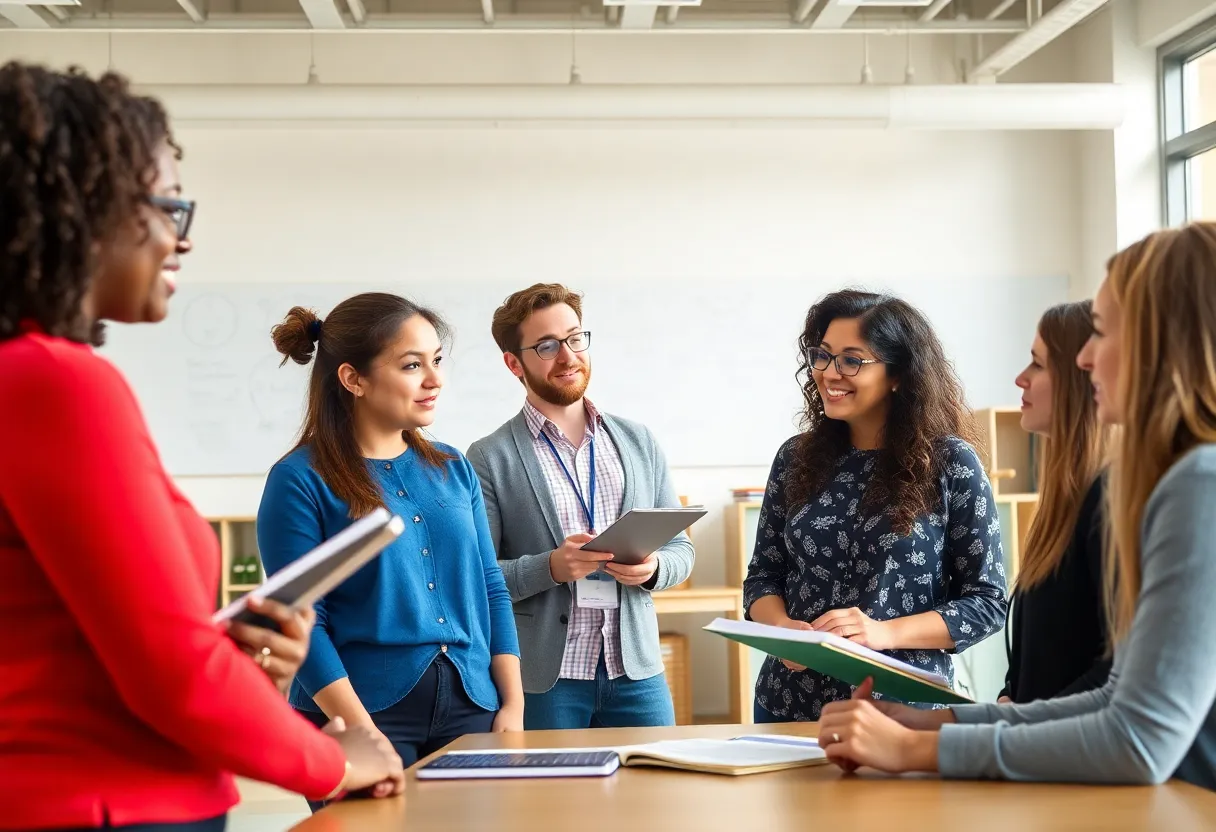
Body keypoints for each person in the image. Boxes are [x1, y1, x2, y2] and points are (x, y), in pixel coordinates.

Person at [0, 63, 402, 832]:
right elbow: (168, 676)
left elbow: (80, 646)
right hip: (106, 804)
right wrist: (337, 759)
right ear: (84, 206)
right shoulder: (56, 382)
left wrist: (227, 651)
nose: (181, 238)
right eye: (168, 205)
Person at [818, 223, 1216, 791]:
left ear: (1163, 343)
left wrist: (914, 747)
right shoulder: (1183, 478)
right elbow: (1113, 699)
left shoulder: (1200, 482)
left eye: (1103, 332)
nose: (1084, 357)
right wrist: (938, 722)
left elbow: (1138, 739)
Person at [257, 293, 523, 809]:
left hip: (474, 707)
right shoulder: (298, 480)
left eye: (437, 360)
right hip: (361, 717)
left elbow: (490, 586)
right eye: (411, 365)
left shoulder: (453, 467)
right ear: (353, 379)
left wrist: (511, 702)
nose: (435, 379)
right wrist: (362, 735)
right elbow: (301, 620)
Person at [744, 289, 1008, 723]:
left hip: (902, 712)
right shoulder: (794, 457)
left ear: (898, 374)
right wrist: (781, 629)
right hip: (786, 705)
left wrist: (881, 633)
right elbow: (763, 577)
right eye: (823, 356)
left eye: (852, 360)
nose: (829, 373)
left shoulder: (950, 463)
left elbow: (987, 603)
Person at [467, 283, 694, 730]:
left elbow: (681, 552)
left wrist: (653, 570)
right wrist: (550, 567)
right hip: (547, 682)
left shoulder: (638, 441)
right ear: (514, 363)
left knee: (656, 777)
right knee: (552, 782)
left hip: (637, 674)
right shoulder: (489, 457)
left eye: (574, 338)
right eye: (547, 346)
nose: (568, 356)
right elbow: (476, 579)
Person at [1001, 301, 1110, 704]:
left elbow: (1113, 671)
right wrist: (1007, 697)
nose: (1020, 379)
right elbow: (1037, 661)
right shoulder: (1062, 504)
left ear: (1080, 376)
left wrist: (1014, 722)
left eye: (1037, 364)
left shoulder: (1107, 502)